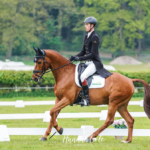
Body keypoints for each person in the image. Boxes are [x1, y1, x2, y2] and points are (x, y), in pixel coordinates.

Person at [69, 16, 112, 106]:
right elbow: (83, 52)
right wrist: (74, 57)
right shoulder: (86, 36)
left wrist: (79, 59)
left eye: (87, 24)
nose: (85, 26)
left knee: (83, 76)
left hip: (94, 63)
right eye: (85, 24)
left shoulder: (95, 37)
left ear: (92, 26)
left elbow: (93, 54)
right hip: (87, 63)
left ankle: (86, 99)